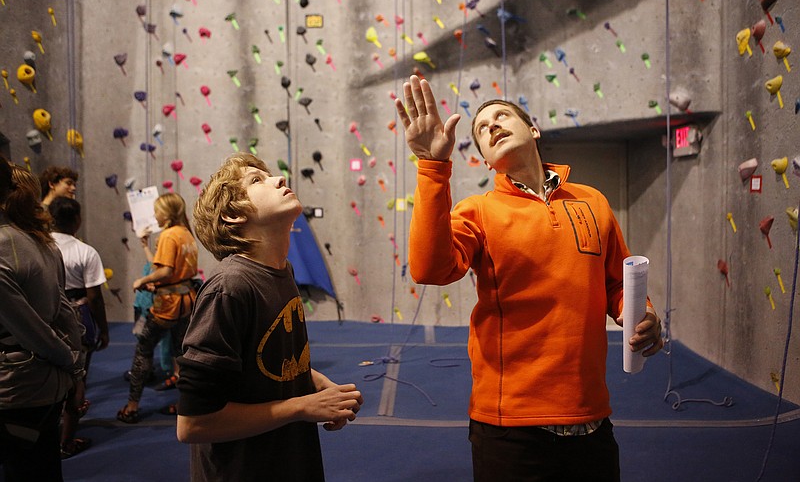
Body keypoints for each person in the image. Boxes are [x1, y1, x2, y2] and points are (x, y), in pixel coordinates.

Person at [395, 75, 664, 482]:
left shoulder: (592, 201)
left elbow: (616, 284)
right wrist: (433, 169)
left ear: (533, 130)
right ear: (485, 160)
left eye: (502, 116)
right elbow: (430, 269)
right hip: (510, 426)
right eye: (483, 129)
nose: (492, 126)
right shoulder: (478, 211)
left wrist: (641, 313)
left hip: (591, 418)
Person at [177, 153, 363, 481]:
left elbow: (269, 361)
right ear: (234, 215)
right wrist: (303, 407)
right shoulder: (230, 287)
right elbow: (194, 423)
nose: (278, 179)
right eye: (256, 180)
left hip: (289, 460)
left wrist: (317, 384)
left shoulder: (282, 271)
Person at [0, 157, 85, 481]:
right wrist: (75, 369)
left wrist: (70, 364)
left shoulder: (12, 245)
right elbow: (64, 312)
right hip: (44, 384)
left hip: (17, 386)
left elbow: (32, 330)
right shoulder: (44, 243)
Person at [117, 192, 199, 423]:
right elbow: (166, 268)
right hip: (186, 301)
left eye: (158, 210)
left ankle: (132, 406)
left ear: (167, 213)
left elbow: (165, 272)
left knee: (144, 349)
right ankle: (186, 403)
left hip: (168, 305)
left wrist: (141, 281)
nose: (154, 214)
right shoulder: (186, 234)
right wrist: (145, 247)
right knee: (181, 353)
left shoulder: (169, 235)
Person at [48, 196, 110, 458]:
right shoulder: (85, 251)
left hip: (46, 314)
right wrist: (103, 328)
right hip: (77, 316)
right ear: (77, 220)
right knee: (77, 380)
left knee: (48, 377)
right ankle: (65, 443)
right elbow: (94, 296)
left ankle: (45, 438)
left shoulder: (40, 246)